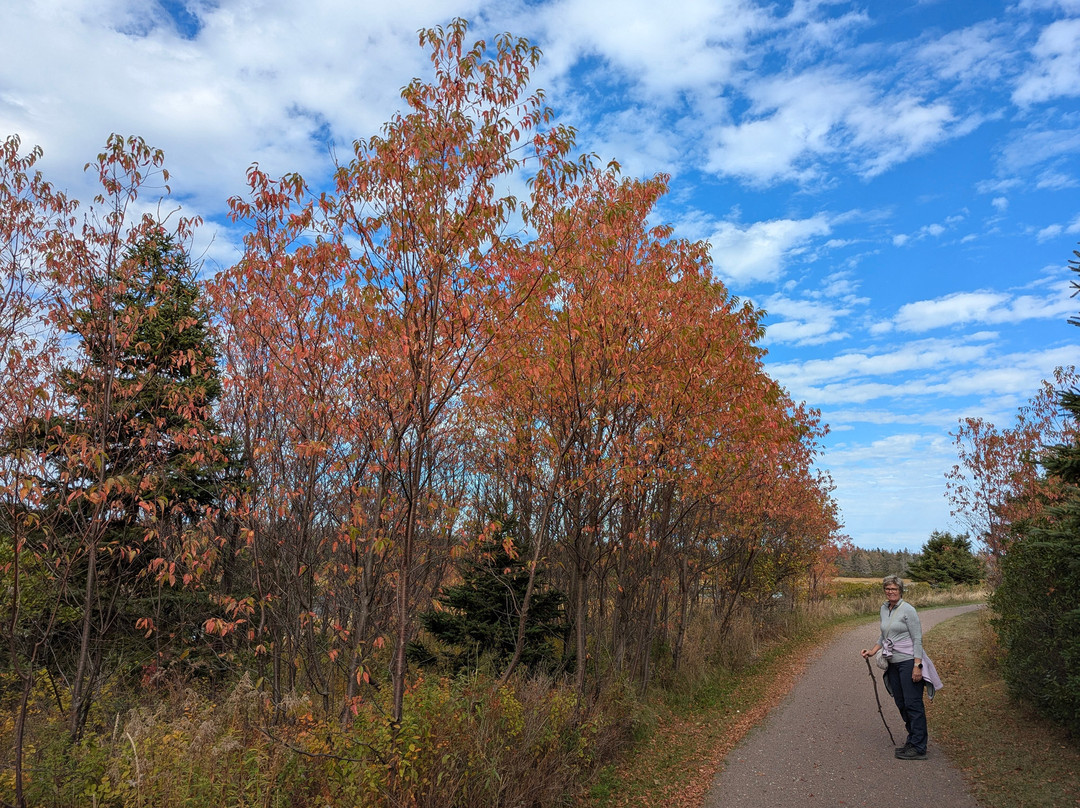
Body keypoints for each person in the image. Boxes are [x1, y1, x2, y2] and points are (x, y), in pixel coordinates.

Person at [860, 574, 938, 761]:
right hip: (893, 663)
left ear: (900, 590)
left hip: (909, 661)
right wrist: (872, 651)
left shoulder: (908, 610)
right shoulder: (884, 608)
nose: (890, 592)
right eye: (887, 588)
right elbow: (884, 634)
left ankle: (919, 747)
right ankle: (912, 740)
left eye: (894, 589)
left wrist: (917, 666)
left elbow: (917, 639)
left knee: (913, 704)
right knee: (901, 703)